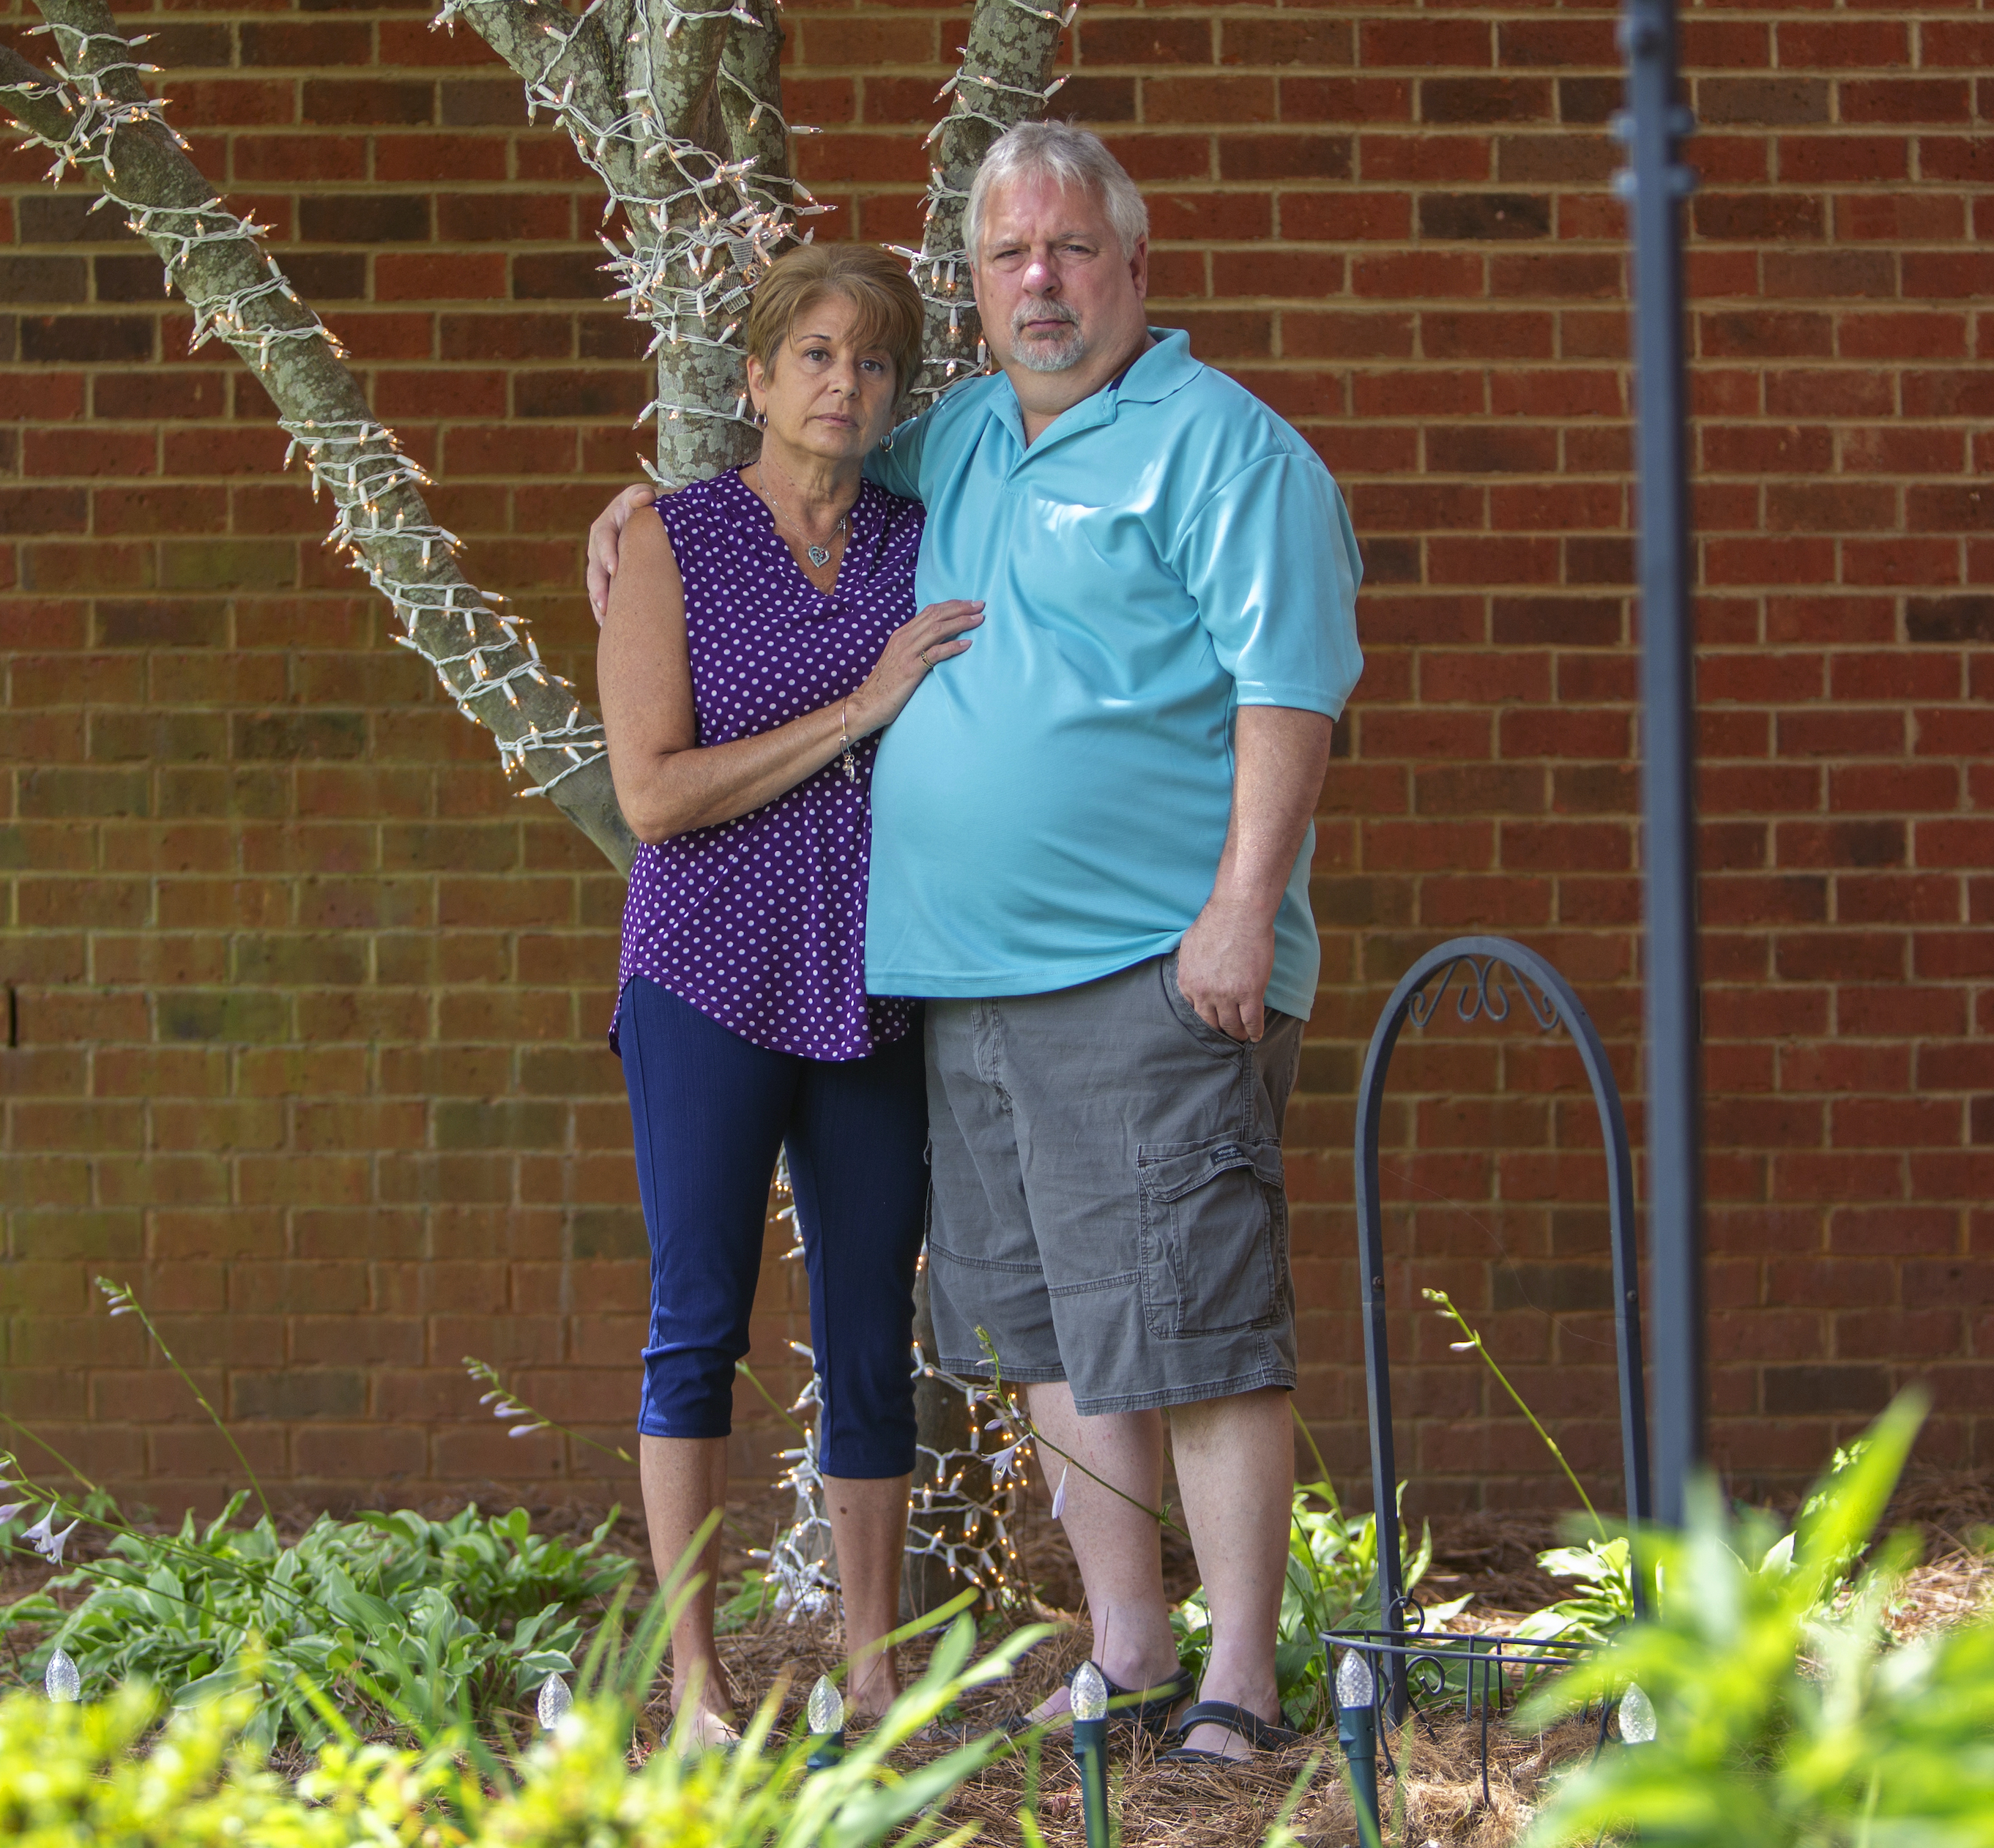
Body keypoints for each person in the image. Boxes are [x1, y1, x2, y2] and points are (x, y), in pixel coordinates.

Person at [588, 122, 1362, 1767]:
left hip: (1148, 967)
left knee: (1195, 1318)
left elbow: (1290, 686)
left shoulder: (1224, 450)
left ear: (1135, 268)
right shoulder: (960, 446)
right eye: (1009, 256)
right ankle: (1132, 1655)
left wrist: (1241, 906)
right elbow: (788, 460)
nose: (1041, 281)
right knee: (1053, 1332)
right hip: (953, 989)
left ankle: (1240, 1678)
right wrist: (631, 516)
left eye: (1072, 249)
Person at [594, 240, 984, 1744]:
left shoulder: (922, 535)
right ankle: (697, 1682)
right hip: (707, 967)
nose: (845, 382)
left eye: (873, 359)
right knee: (697, 1316)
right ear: (753, 380)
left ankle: (871, 1671)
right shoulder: (674, 542)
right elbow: (655, 794)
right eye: (815, 354)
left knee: (871, 1323)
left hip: (875, 973)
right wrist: (867, 705)